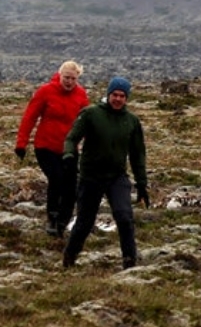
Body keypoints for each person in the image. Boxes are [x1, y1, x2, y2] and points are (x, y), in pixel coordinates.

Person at [62, 76, 149, 269]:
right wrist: (68, 155)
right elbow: (71, 138)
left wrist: (142, 183)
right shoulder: (91, 114)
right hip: (91, 176)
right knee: (85, 222)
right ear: (108, 94)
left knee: (124, 216)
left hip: (117, 176)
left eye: (122, 96)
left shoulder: (132, 121)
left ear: (126, 98)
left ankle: (129, 260)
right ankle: (69, 257)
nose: (118, 99)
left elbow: (138, 154)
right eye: (115, 95)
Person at [15, 60, 91, 236]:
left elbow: (87, 121)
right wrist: (21, 143)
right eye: (66, 77)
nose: (69, 82)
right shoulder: (45, 91)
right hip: (45, 146)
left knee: (71, 185)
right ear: (59, 76)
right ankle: (52, 217)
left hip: (69, 149)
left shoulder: (80, 95)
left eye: (73, 78)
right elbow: (30, 117)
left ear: (77, 78)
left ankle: (63, 222)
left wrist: (91, 144)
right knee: (56, 178)